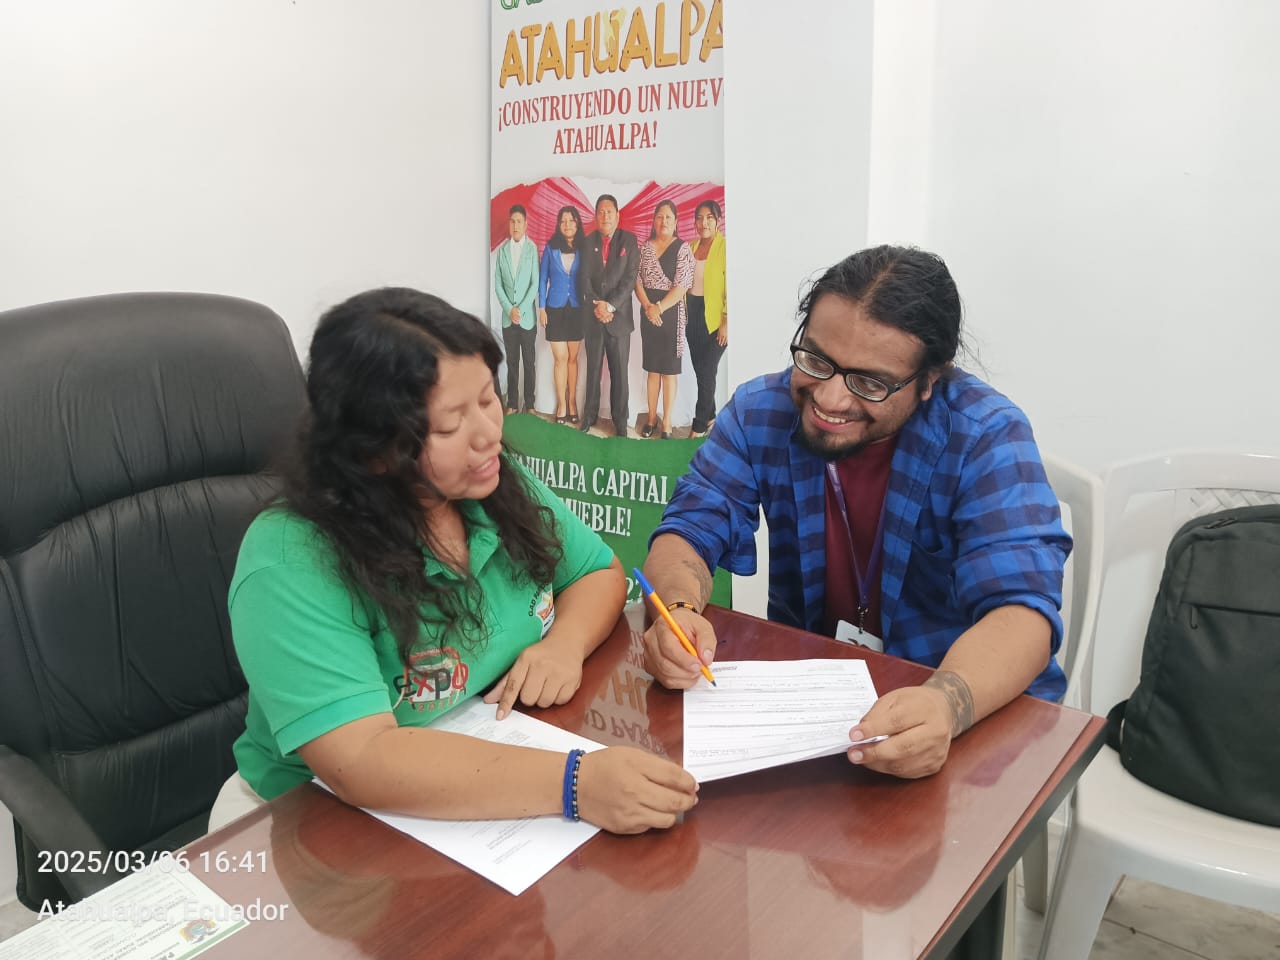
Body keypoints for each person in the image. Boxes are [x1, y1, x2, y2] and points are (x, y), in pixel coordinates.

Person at [209, 287, 698, 834]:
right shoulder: (292, 558)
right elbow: (361, 758)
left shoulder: (488, 483)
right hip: (306, 823)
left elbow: (596, 572)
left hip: (478, 761)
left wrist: (564, 644)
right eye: (449, 426)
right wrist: (576, 783)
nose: (489, 435)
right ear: (373, 450)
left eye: (488, 400)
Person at [640, 246, 1071, 780]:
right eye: (816, 360)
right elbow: (689, 527)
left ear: (929, 380)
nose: (829, 399)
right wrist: (676, 610)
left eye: (869, 383)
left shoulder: (986, 436)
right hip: (828, 717)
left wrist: (946, 704)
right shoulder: (761, 412)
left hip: (968, 717)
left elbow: (1022, 613)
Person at [577, 194, 641, 437]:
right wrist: (598, 305)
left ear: (617, 215)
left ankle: (621, 422)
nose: (605, 216)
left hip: (619, 319)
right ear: (596, 216)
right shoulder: (588, 242)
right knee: (593, 370)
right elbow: (584, 278)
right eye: (601, 212)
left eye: (609, 212)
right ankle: (589, 416)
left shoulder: (629, 240)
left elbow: (630, 279)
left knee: (619, 373)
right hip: (594, 317)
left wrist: (610, 306)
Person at [635, 200, 694, 439]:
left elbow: (682, 286)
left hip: (671, 314)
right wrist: (648, 307)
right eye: (659, 216)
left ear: (676, 221)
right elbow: (637, 281)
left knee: (669, 372)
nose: (664, 221)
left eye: (668, 217)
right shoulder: (644, 248)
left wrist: (658, 308)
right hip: (648, 312)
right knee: (652, 370)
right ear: (653, 220)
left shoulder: (683, 249)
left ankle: (667, 422)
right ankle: (651, 418)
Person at [537, 205, 586, 425]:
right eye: (563, 220)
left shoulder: (584, 248)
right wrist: (541, 307)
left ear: (577, 224)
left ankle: (572, 402)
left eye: (571, 220)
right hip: (554, 309)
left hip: (577, 309)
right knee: (561, 358)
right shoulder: (550, 248)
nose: (567, 224)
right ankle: (561, 405)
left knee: (573, 359)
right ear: (559, 224)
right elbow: (542, 279)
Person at [686, 200, 728, 437]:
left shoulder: (725, 248)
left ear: (718, 220)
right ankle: (711, 416)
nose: (704, 223)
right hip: (692, 314)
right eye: (700, 218)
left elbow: (733, 286)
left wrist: (726, 321)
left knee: (707, 369)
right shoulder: (690, 247)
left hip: (716, 318)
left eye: (709, 217)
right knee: (701, 372)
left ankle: (699, 426)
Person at [494, 204, 539, 414]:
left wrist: (520, 309)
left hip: (527, 317)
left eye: (519, 221)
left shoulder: (532, 249)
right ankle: (512, 403)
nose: (515, 225)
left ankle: (530, 404)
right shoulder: (502, 251)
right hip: (508, 318)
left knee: (529, 362)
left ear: (525, 224)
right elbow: (498, 285)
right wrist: (509, 309)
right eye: (512, 221)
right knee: (512, 362)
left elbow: (535, 283)